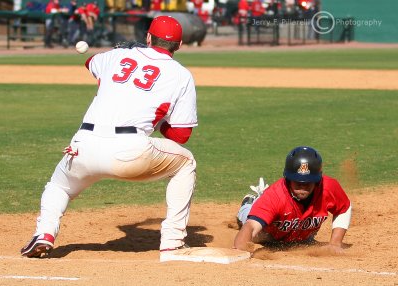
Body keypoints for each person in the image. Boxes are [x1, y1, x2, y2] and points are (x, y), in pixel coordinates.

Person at [21, 16, 197, 259]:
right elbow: (181, 134)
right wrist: (158, 122)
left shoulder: (114, 57)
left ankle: (44, 234)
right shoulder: (181, 75)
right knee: (186, 163)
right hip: (131, 152)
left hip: (83, 144)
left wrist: (121, 52)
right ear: (179, 45)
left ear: (147, 37)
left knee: (58, 187)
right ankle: (172, 243)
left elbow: (90, 62)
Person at [234, 146, 352, 254]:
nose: (302, 187)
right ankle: (249, 202)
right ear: (288, 179)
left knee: (304, 241)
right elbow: (251, 226)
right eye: (298, 182)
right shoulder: (275, 196)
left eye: (308, 182)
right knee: (250, 221)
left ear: (317, 180)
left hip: (301, 236)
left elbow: (343, 208)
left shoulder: (328, 187)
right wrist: (240, 250)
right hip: (267, 234)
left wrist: (335, 243)